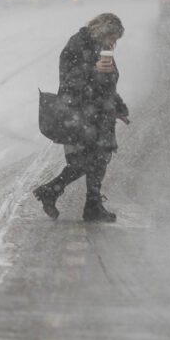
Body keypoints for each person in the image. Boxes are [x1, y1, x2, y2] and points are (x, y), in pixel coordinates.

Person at [33, 12, 130, 222]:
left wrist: (119, 108)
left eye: (116, 40)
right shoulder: (77, 45)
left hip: (100, 113)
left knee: (100, 158)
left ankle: (87, 204)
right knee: (86, 161)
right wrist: (93, 69)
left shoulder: (102, 49)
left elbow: (107, 84)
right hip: (81, 112)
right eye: (112, 37)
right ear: (102, 31)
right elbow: (69, 81)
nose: (113, 43)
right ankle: (57, 193)